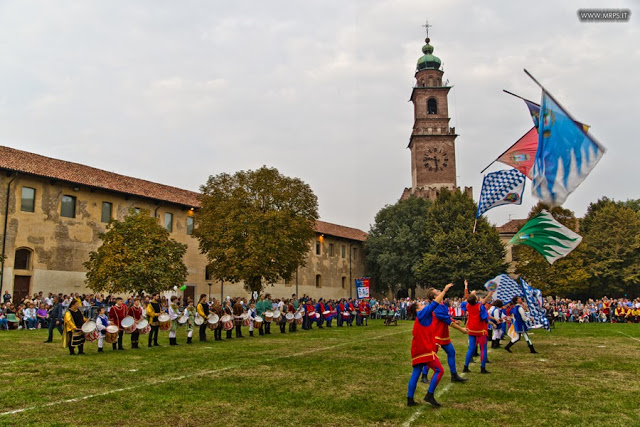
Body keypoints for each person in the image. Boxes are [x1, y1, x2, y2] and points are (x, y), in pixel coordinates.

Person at [407, 283, 453, 408]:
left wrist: (435, 342)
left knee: (416, 373)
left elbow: (428, 331)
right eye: (421, 305)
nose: (423, 305)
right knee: (440, 370)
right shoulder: (422, 314)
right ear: (417, 309)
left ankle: (409, 399)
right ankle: (429, 395)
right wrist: (445, 290)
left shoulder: (423, 316)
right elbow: (434, 304)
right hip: (424, 350)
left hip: (419, 349)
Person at [421, 289, 468, 384]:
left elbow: (446, 317)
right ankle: (424, 376)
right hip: (436, 335)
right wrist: (461, 329)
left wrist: (455, 321)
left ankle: (454, 375)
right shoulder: (435, 306)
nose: (440, 291)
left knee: (451, 352)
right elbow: (445, 319)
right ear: (434, 297)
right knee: (431, 356)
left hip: (443, 335)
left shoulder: (442, 305)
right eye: (437, 291)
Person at [461, 290, 495, 374]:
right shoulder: (480, 307)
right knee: (483, 349)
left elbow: (466, 301)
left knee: (471, 348)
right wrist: (492, 323)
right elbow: (484, 318)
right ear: (476, 300)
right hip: (480, 329)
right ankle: (482, 368)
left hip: (471, 329)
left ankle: (465, 366)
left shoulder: (468, 305)